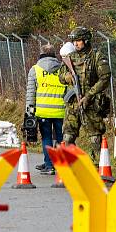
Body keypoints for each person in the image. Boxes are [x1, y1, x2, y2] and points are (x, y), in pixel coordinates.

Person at [58, 27, 112, 162]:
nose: (76, 44)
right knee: (68, 136)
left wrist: (89, 95)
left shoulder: (97, 56)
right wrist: (67, 77)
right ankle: (72, 162)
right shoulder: (70, 57)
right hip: (73, 104)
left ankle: (98, 164)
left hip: (91, 103)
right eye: (74, 41)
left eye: (79, 41)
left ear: (86, 41)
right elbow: (60, 76)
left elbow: (105, 78)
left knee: (95, 136)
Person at [26, 44, 66, 175]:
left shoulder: (35, 70)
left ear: (41, 54)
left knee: (46, 138)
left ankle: (49, 165)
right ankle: (60, 164)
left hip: (43, 111)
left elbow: (31, 94)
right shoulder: (62, 69)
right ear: (55, 54)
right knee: (61, 138)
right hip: (61, 110)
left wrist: (29, 113)